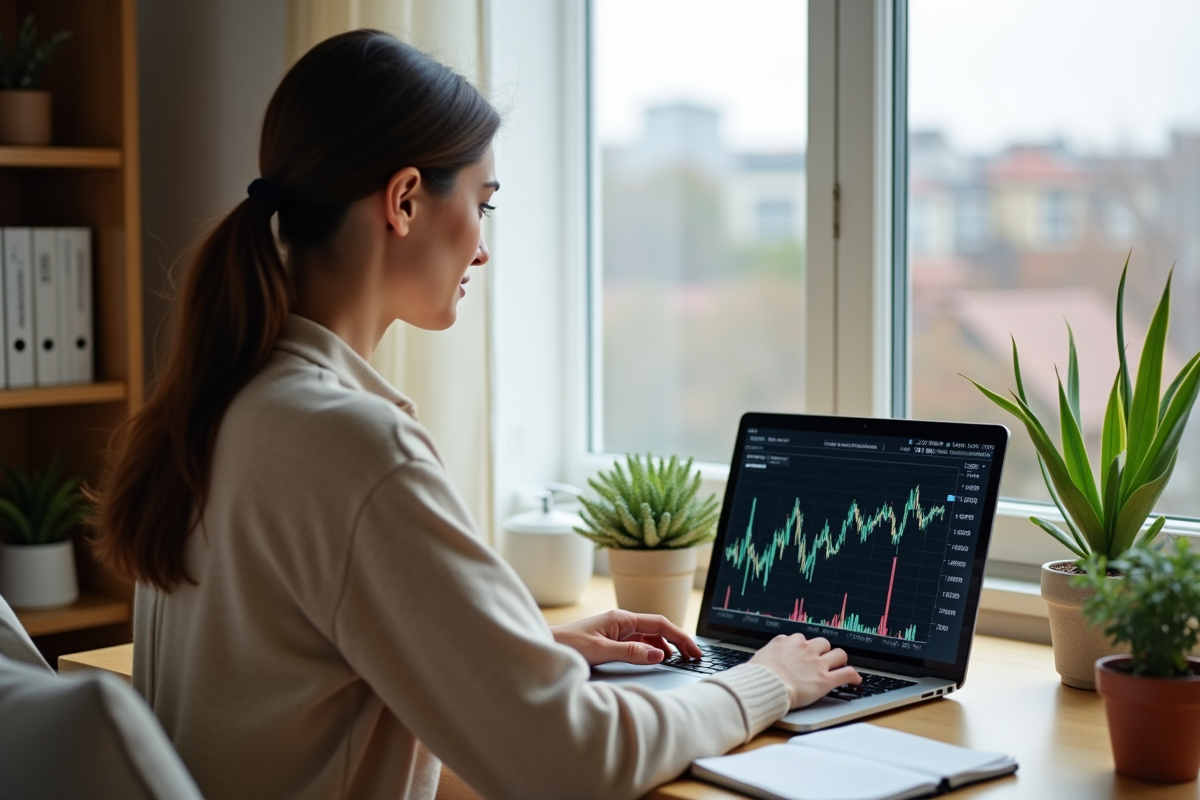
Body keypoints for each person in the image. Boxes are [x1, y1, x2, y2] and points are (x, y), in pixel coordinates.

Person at [91, 30, 859, 800]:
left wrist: (525, 648)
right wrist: (766, 684)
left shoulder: (227, 399)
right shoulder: (351, 441)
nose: (483, 251)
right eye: (482, 205)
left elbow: (286, 661)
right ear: (404, 201)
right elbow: (571, 762)